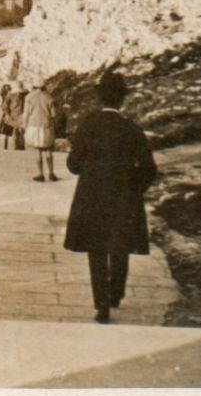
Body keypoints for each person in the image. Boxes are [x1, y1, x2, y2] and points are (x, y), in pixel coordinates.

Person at [64, 71, 157, 324]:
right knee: (120, 247)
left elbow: (73, 165)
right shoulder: (132, 129)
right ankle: (116, 293)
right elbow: (149, 169)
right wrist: (135, 189)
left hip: (92, 198)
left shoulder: (88, 125)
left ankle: (101, 305)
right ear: (122, 100)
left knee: (96, 249)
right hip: (124, 198)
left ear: (99, 98)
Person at [24, 81, 60, 182]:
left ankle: (40, 174)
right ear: (44, 87)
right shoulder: (49, 98)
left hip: (34, 126)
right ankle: (51, 174)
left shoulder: (29, 98)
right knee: (48, 149)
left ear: (34, 87)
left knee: (38, 150)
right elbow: (54, 114)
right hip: (47, 126)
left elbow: (26, 113)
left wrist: (24, 125)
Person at [1, 82, 29, 150]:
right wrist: (7, 114)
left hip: (22, 116)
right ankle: (18, 145)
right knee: (17, 128)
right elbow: (5, 106)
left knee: (21, 128)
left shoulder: (24, 95)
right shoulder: (10, 95)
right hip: (13, 117)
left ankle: (20, 145)